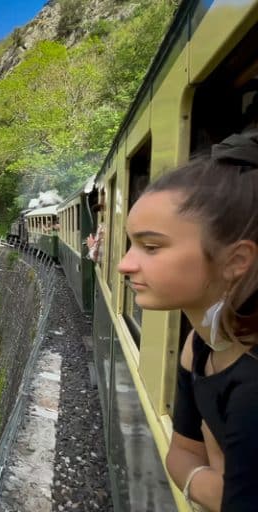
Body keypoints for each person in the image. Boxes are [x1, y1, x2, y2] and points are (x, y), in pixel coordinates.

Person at [117, 130, 258, 511]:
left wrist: (202, 476)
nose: (124, 264)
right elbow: (178, 454)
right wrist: (210, 481)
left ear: (236, 261)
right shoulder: (200, 343)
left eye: (151, 247)